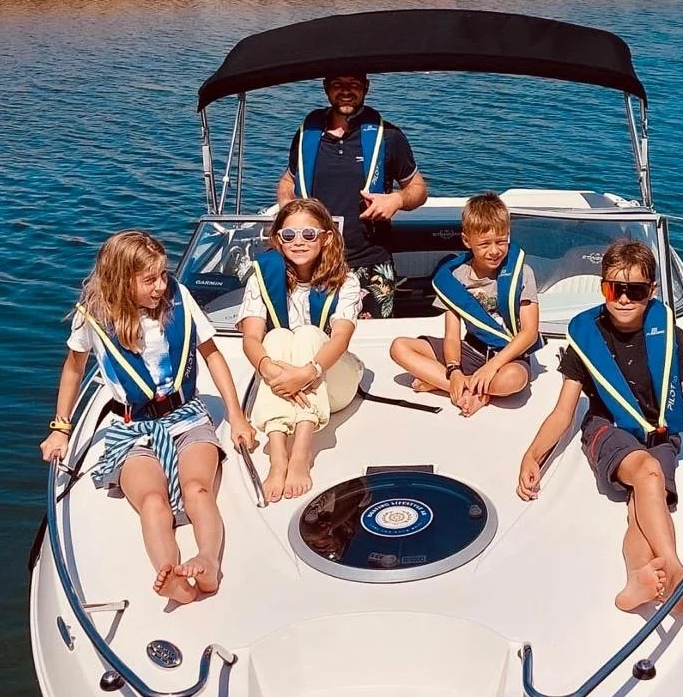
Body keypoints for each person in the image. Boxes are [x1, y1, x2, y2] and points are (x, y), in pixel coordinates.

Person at [517, 238, 683, 614]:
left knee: (643, 507)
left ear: (651, 291)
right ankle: (675, 567)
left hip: (658, 435)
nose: (623, 299)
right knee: (649, 472)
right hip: (608, 431)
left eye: (635, 291)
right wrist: (533, 455)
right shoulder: (587, 337)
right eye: (613, 288)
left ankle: (638, 584)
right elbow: (563, 411)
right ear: (603, 286)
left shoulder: (669, 333)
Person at [40, 230, 256, 606]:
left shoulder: (178, 297)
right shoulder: (93, 317)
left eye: (161, 275)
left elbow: (213, 356)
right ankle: (171, 574)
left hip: (187, 416)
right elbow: (73, 371)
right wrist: (61, 428)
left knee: (197, 491)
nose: (161, 286)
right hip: (132, 428)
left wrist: (237, 418)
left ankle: (207, 561)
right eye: (149, 280)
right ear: (121, 281)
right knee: (153, 502)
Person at [238, 199, 363, 502]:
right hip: (281, 379)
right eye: (289, 235)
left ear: (326, 237)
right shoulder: (262, 278)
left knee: (308, 333)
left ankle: (302, 450)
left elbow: (341, 338)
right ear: (278, 239)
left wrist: (306, 373)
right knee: (277, 336)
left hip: (333, 380)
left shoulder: (345, 281)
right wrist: (268, 369)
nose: (299, 242)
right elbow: (252, 337)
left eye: (309, 234)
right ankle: (279, 452)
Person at [274, 72, 427, 318]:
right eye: (337, 84)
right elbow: (288, 180)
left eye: (354, 85)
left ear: (366, 87)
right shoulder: (307, 134)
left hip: (371, 260)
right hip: (314, 261)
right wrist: (288, 210)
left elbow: (418, 189)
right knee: (315, 340)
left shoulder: (389, 136)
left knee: (372, 340)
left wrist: (397, 199)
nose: (346, 91)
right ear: (326, 87)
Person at [389, 192, 540, 416]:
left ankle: (447, 385)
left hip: (508, 355)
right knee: (399, 347)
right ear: (467, 241)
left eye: (501, 241)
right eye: (485, 244)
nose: (494, 250)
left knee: (514, 380)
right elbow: (452, 335)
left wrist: (493, 366)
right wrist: (454, 369)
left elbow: (529, 333)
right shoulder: (456, 278)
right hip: (470, 350)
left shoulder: (522, 273)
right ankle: (464, 386)